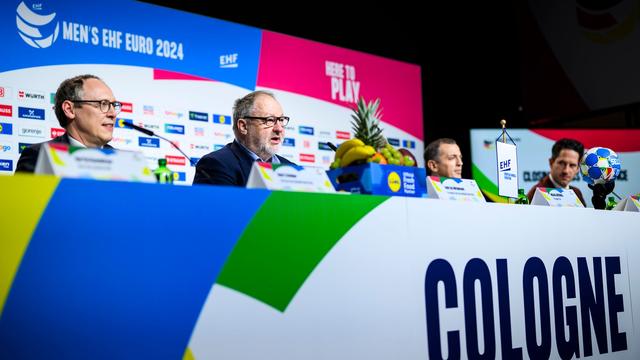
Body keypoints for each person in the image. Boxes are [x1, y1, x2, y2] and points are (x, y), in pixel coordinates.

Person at [15, 74, 119, 173]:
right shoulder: (39, 156)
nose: (113, 113)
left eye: (114, 105)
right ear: (69, 109)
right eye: (103, 104)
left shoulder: (120, 159)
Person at [193, 90, 295, 186]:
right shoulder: (216, 164)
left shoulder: (291, 168)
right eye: (270, 120)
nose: (279, 128)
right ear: (243, 126)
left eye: (281, 120)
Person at [526, 138, 586, 205]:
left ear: (578, 168)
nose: (566, 171)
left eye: (572, 165)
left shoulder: (577, 193)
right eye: (562, 163)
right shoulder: (537, 193)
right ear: (551, 162)